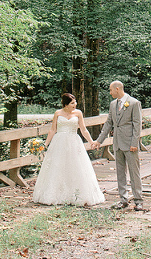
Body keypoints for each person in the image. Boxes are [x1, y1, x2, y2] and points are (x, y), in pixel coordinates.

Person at [32, 93, 105, 206]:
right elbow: (52, 130)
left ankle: (76, 195)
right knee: (57, 166)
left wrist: (91, 141)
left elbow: (83, 130)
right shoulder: (58, 113)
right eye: (72, 103)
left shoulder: (78, 113)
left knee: (75, 166)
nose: (75, 104)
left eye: (75, 102)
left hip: (73, 141)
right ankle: (56, 194)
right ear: (65, 104)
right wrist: (45, 144)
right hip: (59, 142)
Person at [93, 81, 143, 211]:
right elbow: (108, 123)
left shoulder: (134, 103)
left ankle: (138, 200)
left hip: (130, 143)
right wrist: (99, 140)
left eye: (111, 90)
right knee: (120, 172)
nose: (110, 93)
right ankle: (123, 199)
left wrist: (134, 143)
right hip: (117, 143)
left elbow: (137, 125)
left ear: (117, 89)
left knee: (134, 172)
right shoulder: (112, 104)